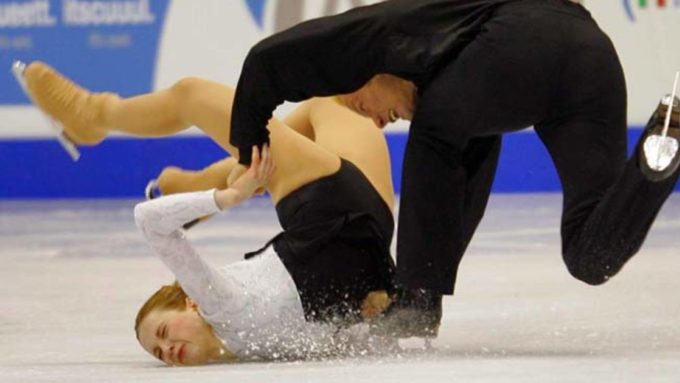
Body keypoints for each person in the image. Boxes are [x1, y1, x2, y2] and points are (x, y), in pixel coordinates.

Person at [227, 0, 680, 338]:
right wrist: (416, 281)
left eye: (360, 103)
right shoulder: (466, 111)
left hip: (532, 26)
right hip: (592, 61)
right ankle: (653, 167)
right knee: (592, 258)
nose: (373, 120)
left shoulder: (384, 34)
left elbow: (267, 58)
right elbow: (456, 202)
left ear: (367, 70)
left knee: (434, 133)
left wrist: (249, 146)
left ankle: (417, 304)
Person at [18, 61, 397, 365]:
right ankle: (201, 182)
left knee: (192, 95)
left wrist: (226, 199)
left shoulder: (214, 301)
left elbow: (150, 221)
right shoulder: (248, 351)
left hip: (330, 206)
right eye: (158, 353)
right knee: (333, 105)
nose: (167, 351)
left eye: (163, 334)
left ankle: (95, 115)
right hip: (371, 235)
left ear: (191, 302)